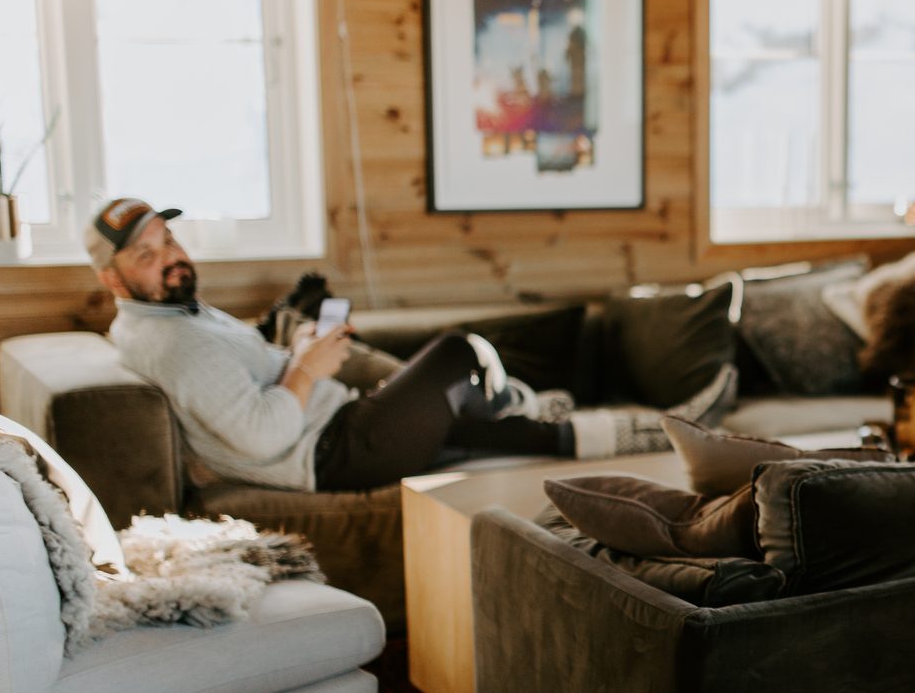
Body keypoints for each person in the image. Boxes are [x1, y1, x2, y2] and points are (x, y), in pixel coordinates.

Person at [89, 197, 587, 493]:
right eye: (146, 254)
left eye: (170, 240)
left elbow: (248, 382)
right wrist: (306, 370)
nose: (171, 258)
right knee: (458, 352)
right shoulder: (174, 341)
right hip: (334, 452)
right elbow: (260, 435)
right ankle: (519, 403)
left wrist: (297, 351)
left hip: (336, 432)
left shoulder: (169, 313)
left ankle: (575, 437)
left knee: (456, 427)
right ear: (112, 278)